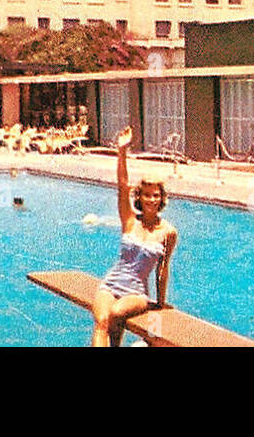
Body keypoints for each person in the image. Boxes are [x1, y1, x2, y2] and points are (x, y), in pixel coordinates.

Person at [91, 127, 177, 347]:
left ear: (162, 199)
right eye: (147, 195)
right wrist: (122, 151)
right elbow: (122, 186)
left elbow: (162, 270)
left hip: (136, 293)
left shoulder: (168, 232)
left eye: (156, 195)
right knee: (102, 321)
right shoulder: (129, 220)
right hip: (111, 283)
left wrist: (160, 303)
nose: (151, 200)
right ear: (140, 197)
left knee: (116, 312)